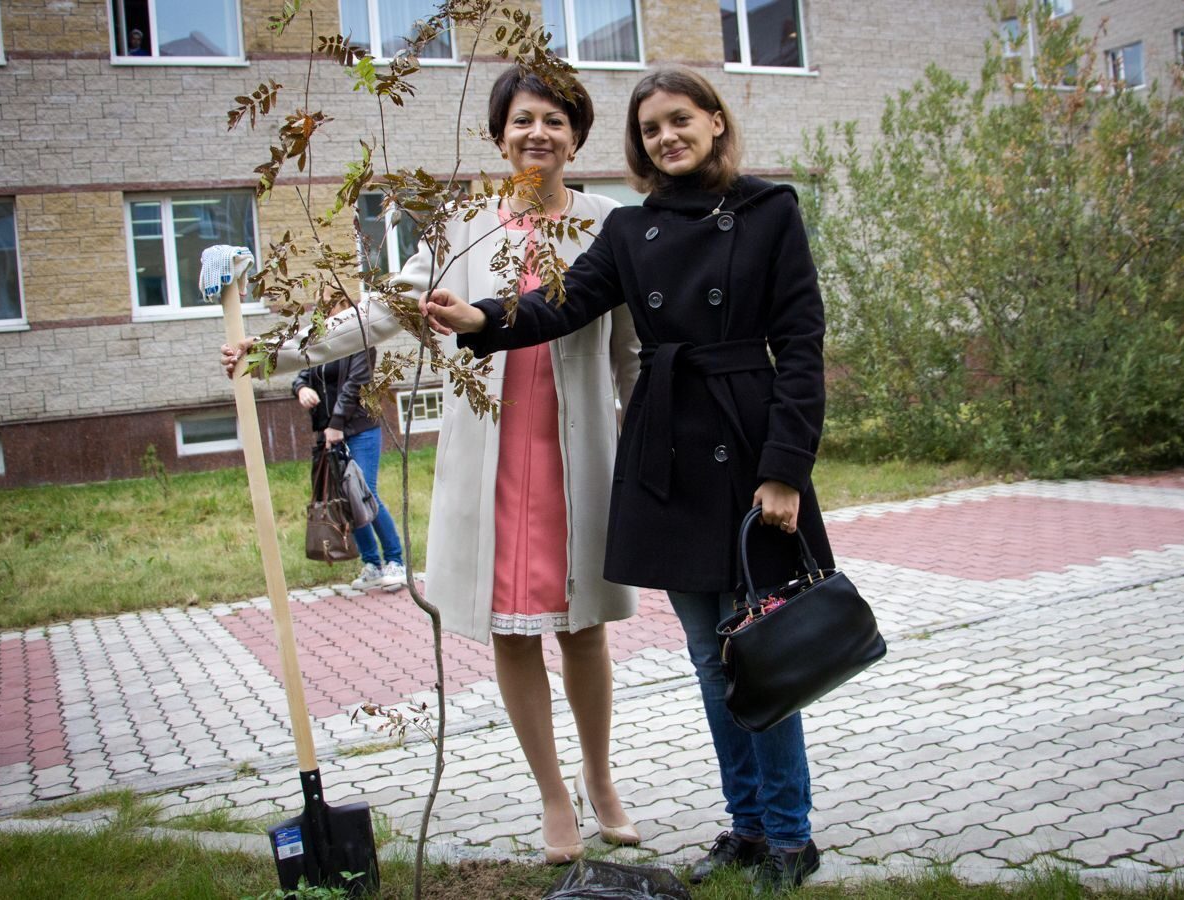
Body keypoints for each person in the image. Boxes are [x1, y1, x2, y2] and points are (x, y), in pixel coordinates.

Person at [421, 66, 831, 893]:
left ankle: (791, 837)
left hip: (749, 444)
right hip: (668, 455)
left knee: (760, 651)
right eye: (651, 129)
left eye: (681, 120)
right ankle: (747, 827)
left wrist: (785, 471)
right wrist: (482, 318)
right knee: (709, 656)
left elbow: (801, 344)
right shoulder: (631, 228)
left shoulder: (770, 209)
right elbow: (562, 305)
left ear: (715, 122)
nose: (667, 137)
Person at [221, 66, 642, 864]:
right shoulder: (463, 228)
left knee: (584, 627)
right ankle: (553, 795)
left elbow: (630, 354)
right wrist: (278, 352)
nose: (538, 134)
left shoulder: (608, 225)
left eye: (555, 120)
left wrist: (649, 444)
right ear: (499, 136)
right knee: (512, 633)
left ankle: (600, 777)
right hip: (495, 462)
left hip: (580, 457)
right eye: (523, 120)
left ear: (578, 137)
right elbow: (381, 312)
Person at [292, 290, 405, 590]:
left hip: (360, 428)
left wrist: (336, 424)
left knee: (364, 493)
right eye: (322, 308)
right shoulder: (317, 342)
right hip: (329, 432)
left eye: (332, 307)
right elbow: (302, 375)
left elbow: (355, 385)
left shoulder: (360, 339)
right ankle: (372, 564)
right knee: (345, 499)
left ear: (345, 307)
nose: (327, 314)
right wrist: (301, 389)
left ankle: (395, 560)